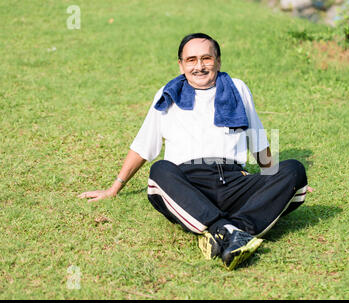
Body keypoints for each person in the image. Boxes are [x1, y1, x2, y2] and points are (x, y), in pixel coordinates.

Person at [78, 33, 310, 270]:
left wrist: (276, 181)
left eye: (206, 58)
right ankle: (227, 230)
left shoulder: (237, 88)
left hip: (234, 181)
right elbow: (144, 145)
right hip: (188, 186)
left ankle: (227, 231)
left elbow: (257, 137)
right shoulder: (167, 95)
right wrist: (114, 187)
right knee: (160, 170)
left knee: (294, 169)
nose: (199, 66)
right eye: (191, 60)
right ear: (180, 65)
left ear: (218, 62)